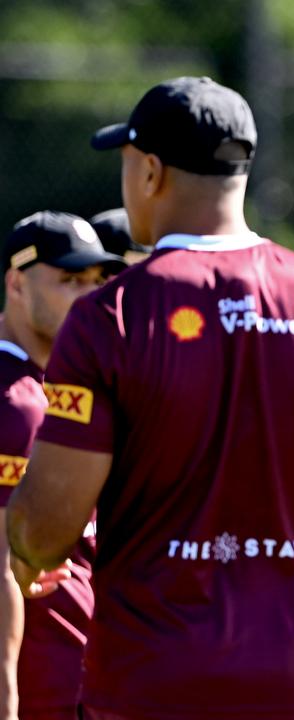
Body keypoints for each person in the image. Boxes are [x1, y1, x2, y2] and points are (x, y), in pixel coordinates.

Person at [5, 76, 294, 720]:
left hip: (150, 690)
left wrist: (28, 554)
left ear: (148, 171)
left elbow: (46, 524)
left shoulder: (111, 316)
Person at [0, 212, 122, 720]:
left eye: (94, 281)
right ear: (16, 283)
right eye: (68, 279)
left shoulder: (55, 387)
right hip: (42, 690)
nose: (86, 295)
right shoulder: (17, 402)